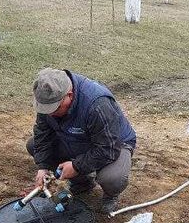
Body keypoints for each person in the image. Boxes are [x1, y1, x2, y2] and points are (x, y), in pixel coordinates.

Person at [27, 68, 136, 214]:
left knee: (112, 178)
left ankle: (111, 195)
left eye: (55, 108)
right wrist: (43, 166)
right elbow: (42, 134)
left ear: (69, 95)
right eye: (47, 109)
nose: (50, 113)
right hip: (78, 139)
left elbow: (108, 148)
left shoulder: (97, 104)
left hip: (113, 143)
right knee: (34, 145)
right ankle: (82, 183)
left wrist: (77, 166)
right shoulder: (48, 101)